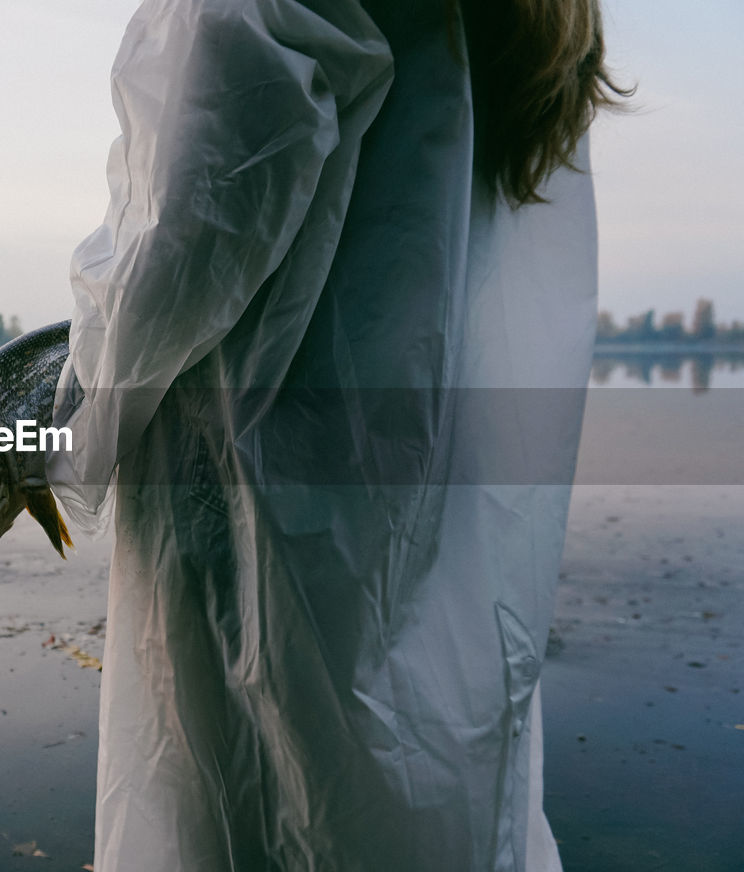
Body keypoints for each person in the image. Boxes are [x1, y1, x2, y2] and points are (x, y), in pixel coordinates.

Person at [47, 0, 628, 869]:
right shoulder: (532, 20)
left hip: (260, 501)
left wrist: (59, 437)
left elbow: (190, 231)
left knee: (254, 797)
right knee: (422, 779)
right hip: (426, 499)